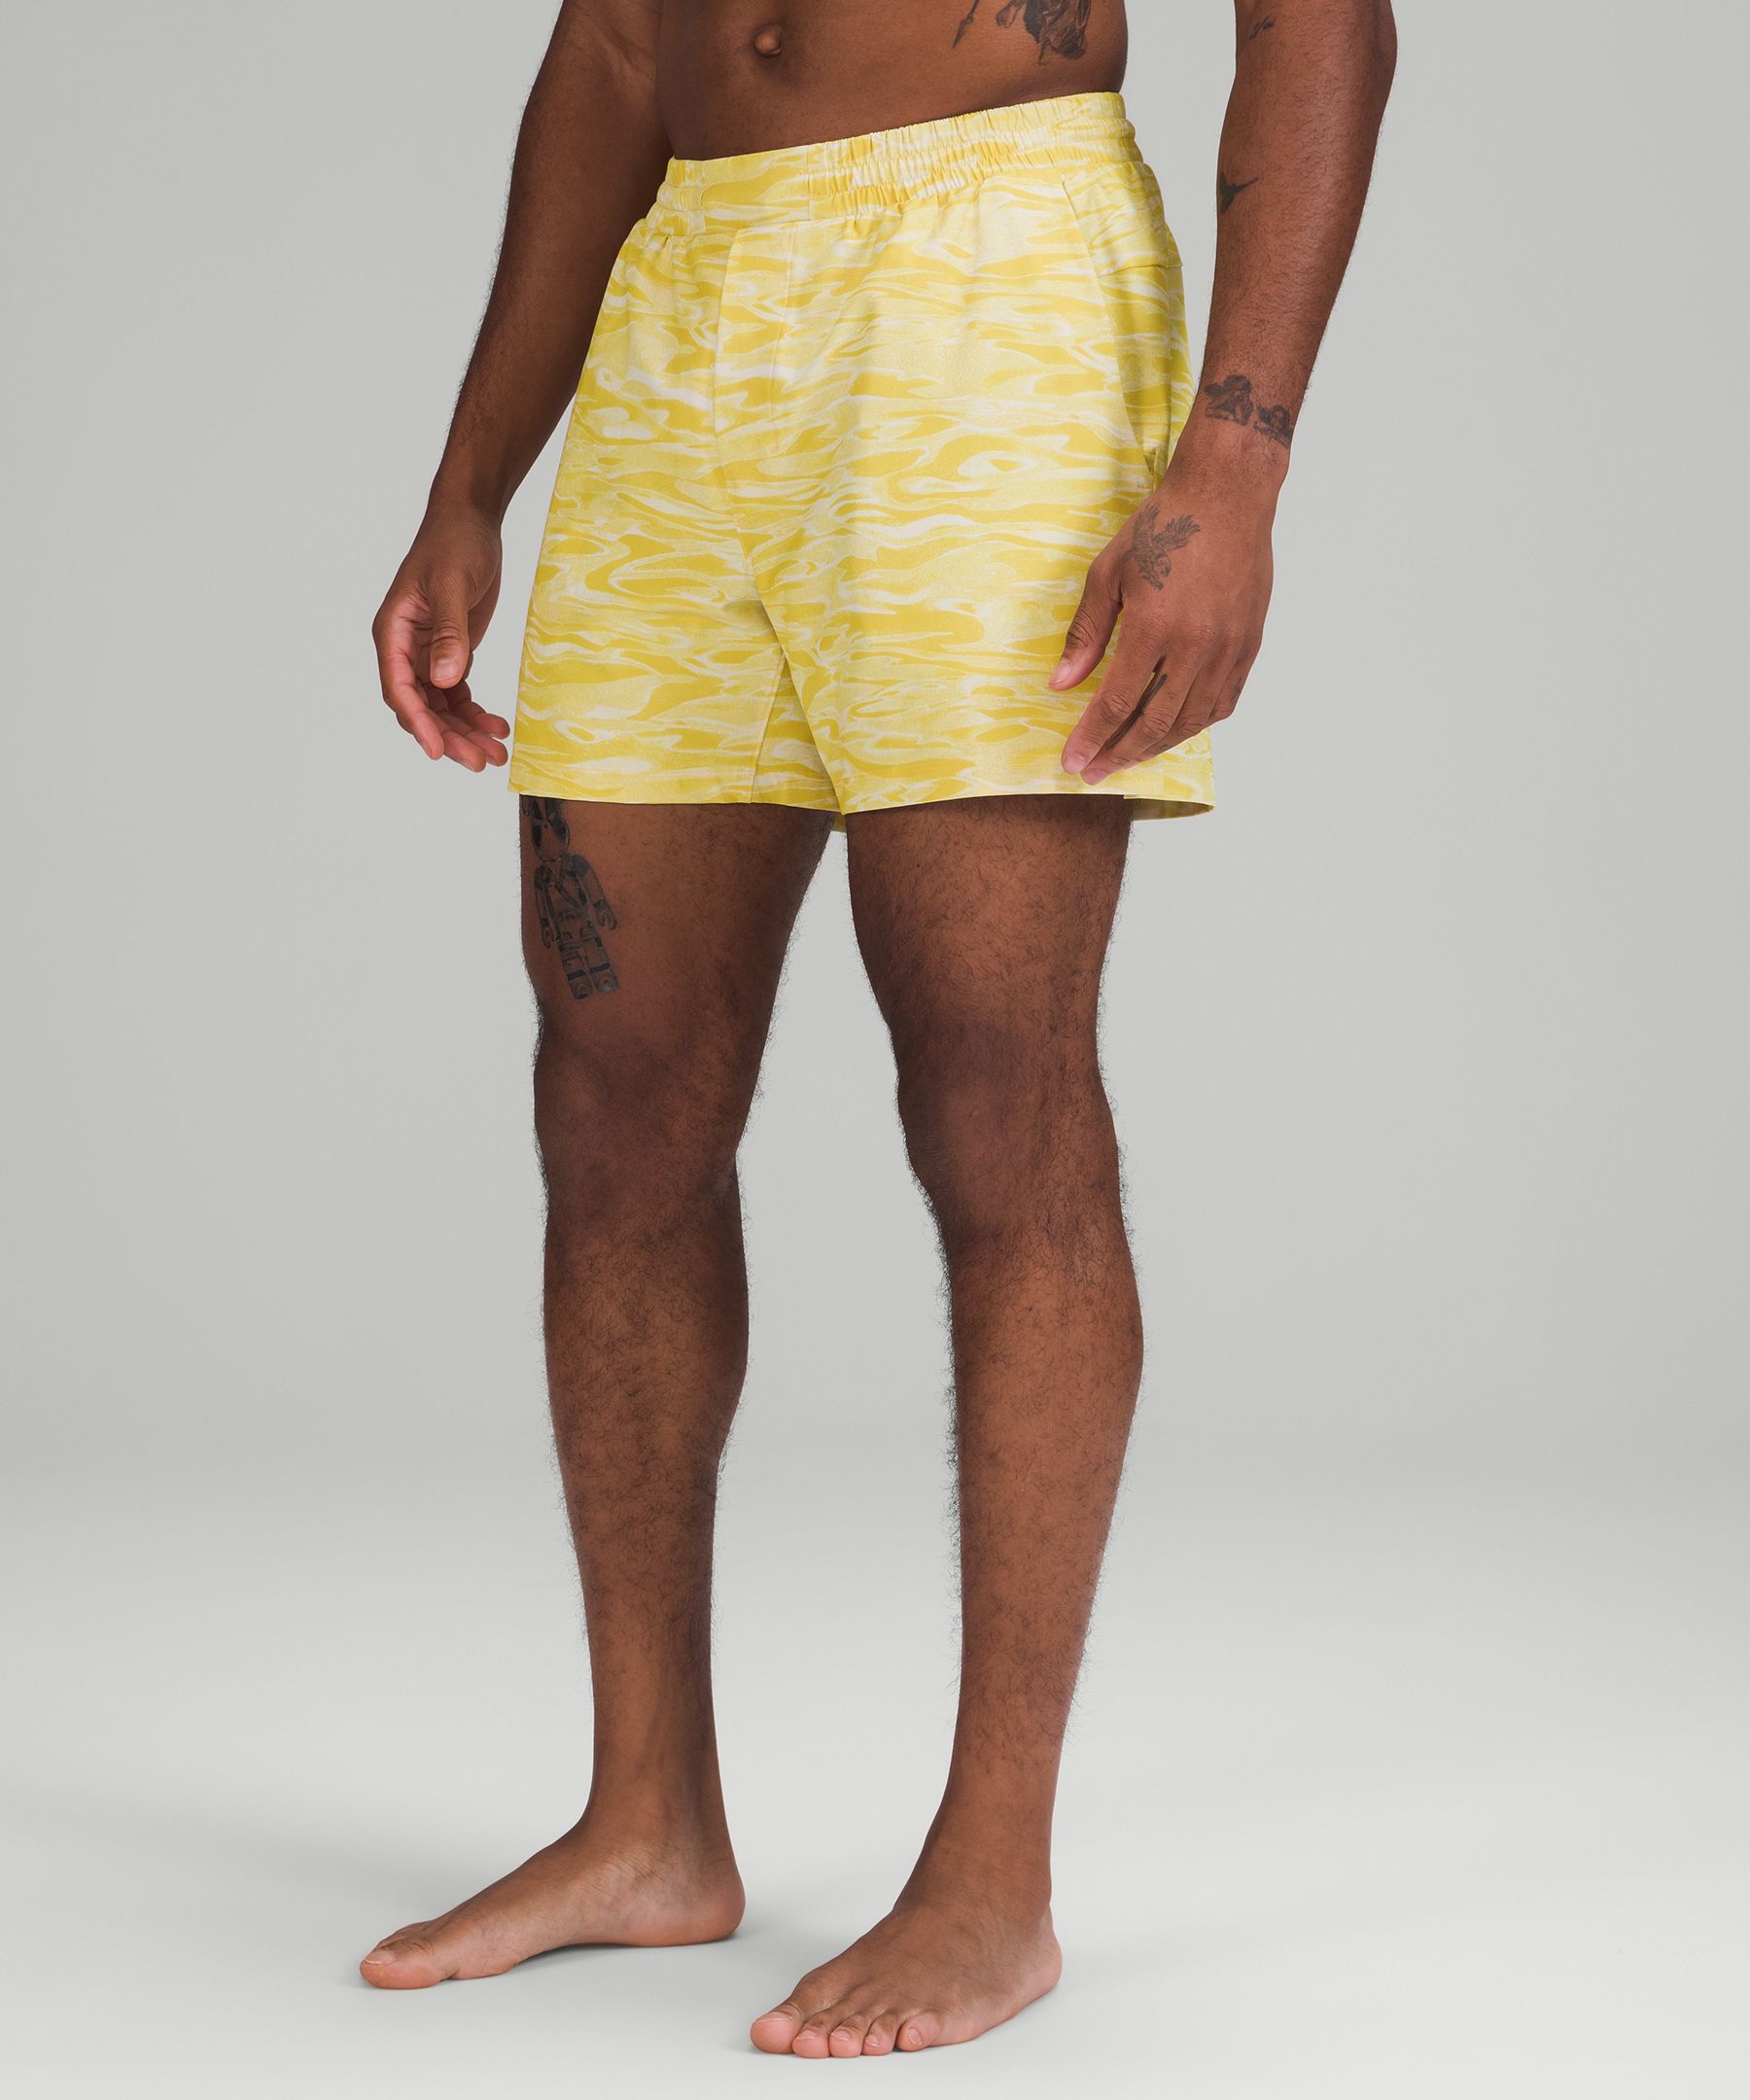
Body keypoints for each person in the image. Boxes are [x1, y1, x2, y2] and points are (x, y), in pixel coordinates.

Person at [364, 0, 1394, 2057]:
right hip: (687, 303)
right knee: (613, 1096)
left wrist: (1235, 457)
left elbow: (1325, 20)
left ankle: (993, 1883)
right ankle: (649, 1820)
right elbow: (611, 46)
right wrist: (471, 480)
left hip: (990, 276)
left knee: (996, 1099)